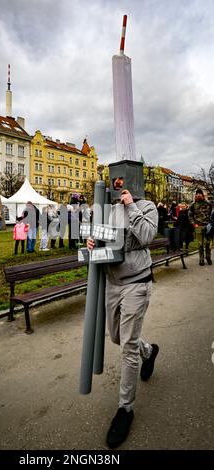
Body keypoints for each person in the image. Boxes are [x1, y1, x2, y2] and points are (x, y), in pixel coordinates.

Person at [87, 186, 159, 448]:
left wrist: (131, 206)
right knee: (117, 337)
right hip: (112, 283)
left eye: (123, 180)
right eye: (114, 179)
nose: (118, 185)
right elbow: (101, 237)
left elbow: (147, 235)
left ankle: (125, 409)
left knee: (127, 346)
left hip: (137, 283)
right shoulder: (108, 209)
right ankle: (149, 351)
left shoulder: (147, 206)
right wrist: (92, 241)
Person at [188, 188, 212, 265]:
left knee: (208, 243)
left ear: (202, 195)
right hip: (198, 226)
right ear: (195, 195)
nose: (198, 195)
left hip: (208, 226)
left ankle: (208, 257)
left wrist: (211, 223)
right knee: (200, 244)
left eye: (199, 194)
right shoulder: (193, 205)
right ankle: (201, 259)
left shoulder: (208, 203)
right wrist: (194, 224)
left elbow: (211, 214)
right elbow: (190, 215)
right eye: (197, 194)